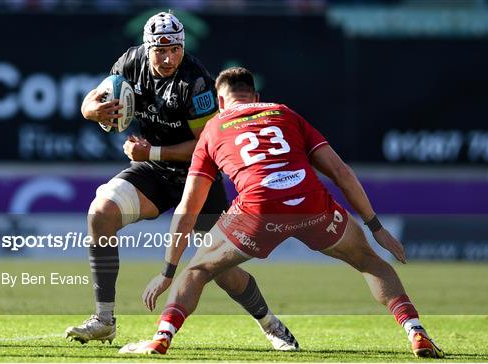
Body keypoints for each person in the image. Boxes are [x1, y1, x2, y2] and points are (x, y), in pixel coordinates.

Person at [118, 67, 445, 358]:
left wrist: (167, 271)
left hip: (258, 209)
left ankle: (162, 337)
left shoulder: (213, 130)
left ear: (220, 101)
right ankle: (415, 331)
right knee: (370, 262)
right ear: (256, 96)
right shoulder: (285, 114)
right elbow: (340, 172)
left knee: (199, 269)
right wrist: (376, 227)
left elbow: (189, 207)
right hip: (310, 201)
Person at [65, 13, 298, 352]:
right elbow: (93, 98)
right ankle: (104, 320)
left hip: (197, 174)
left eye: (174, 49)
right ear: (147, 48)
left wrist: (153, 151)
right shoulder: (131, 63)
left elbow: (206, 143)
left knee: (221, 269)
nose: (168, 57)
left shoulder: (196, 80)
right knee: (100, 213)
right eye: (160, 50)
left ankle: (270, 324)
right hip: (153, 171)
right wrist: (92, 112)